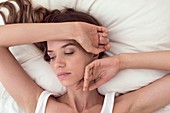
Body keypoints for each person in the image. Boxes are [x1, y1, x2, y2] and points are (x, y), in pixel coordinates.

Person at [1, 0, 170, 113]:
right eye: (51, 56)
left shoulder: (118, 108)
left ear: (93, 53)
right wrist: (72, 30)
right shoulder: (38, 104)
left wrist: (121, 62)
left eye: (68, 52)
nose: (58, 64)